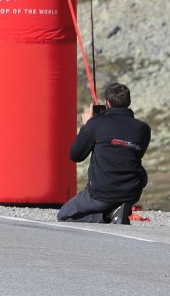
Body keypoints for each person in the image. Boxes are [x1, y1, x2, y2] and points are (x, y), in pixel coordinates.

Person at [57, 82, 150, 224]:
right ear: (128, 102)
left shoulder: (96, 123)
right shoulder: (143, 129)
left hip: (101, 195)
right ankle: (118, 209)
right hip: (131, 192)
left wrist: (87, 126)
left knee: (64, 215)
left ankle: (107, 216)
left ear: (107, 103)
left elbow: (76, 155)